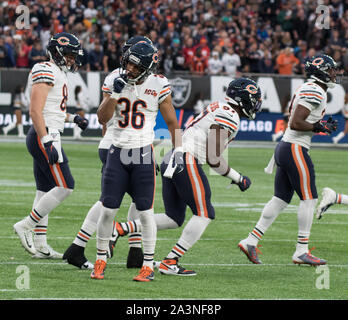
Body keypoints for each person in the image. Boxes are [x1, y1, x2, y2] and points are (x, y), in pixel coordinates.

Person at [111, 78, 262, 276]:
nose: (255, 104)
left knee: (173, 217)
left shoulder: (220, 107)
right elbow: (214, 157)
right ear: (243, 99)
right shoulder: (229, 115)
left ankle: (121, 229)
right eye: (253, 99)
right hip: (187, 160)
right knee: (205, 213)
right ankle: (170, 261)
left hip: (173, 157)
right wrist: (238, 177)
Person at [91, 41, 183, 282]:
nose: (128, 67)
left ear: (145, 68)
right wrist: (114, 95)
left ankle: (148, 265)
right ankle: (100, 259)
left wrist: (179, 151)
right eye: (127, 61)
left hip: (142, 153)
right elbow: (102, 118)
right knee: (109, 209)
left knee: (146, 212)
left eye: (133, 64)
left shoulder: (159, 84)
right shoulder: (114, 79)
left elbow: (172, 122)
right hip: (117, 152)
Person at [239, 54, 341, 266]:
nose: (334, 73)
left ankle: (251, 241)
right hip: (295, 148)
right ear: (321, 72)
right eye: (331, 69)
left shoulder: (311, 87)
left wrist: (319, 125)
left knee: (281, 199)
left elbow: (300, 119)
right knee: (309, 199)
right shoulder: (314, 89)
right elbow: (296, 122)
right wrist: (318, 127)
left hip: (287, 147)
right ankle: (301, 251)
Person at [62, 36, 153, 270]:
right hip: (118, 146)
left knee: (133, 201)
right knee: (111, 201)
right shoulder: (117, 78)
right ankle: (80, 245)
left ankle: (134, 251)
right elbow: (105, 118)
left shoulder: (147, 81)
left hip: (123, 144)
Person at [13, 32, 89, 259]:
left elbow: (53, 110)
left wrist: (73, 118)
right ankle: (25, 225)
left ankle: (41, 245)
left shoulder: (58, 73)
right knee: (66, 185)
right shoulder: (44, 69)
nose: (73, 60)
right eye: (69, 55)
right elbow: (35, 110)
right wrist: (47, 141)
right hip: (44, 134)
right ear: (58, 53)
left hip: (48, 131)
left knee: (44, 190)